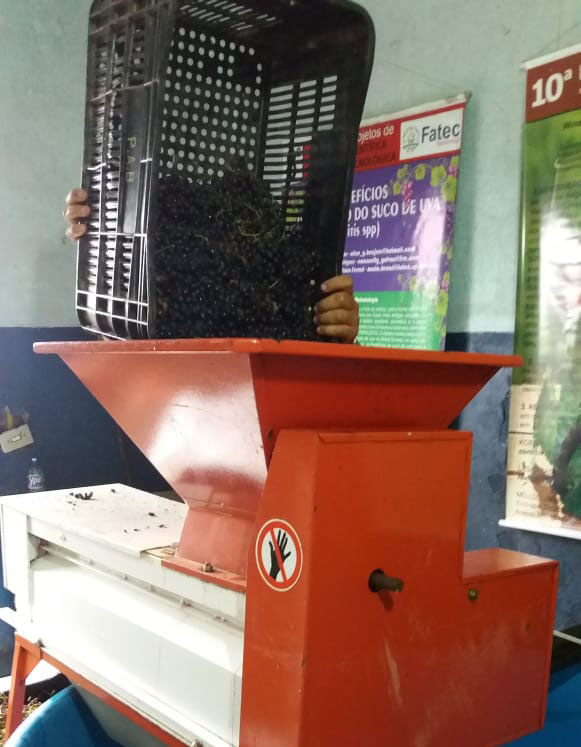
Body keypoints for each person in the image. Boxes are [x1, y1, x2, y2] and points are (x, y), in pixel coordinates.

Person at [64, 189, 359, 343]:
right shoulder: (145, 307)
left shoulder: (274, 277)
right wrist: (103, 246)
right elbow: (121, 341)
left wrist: (340, 337)